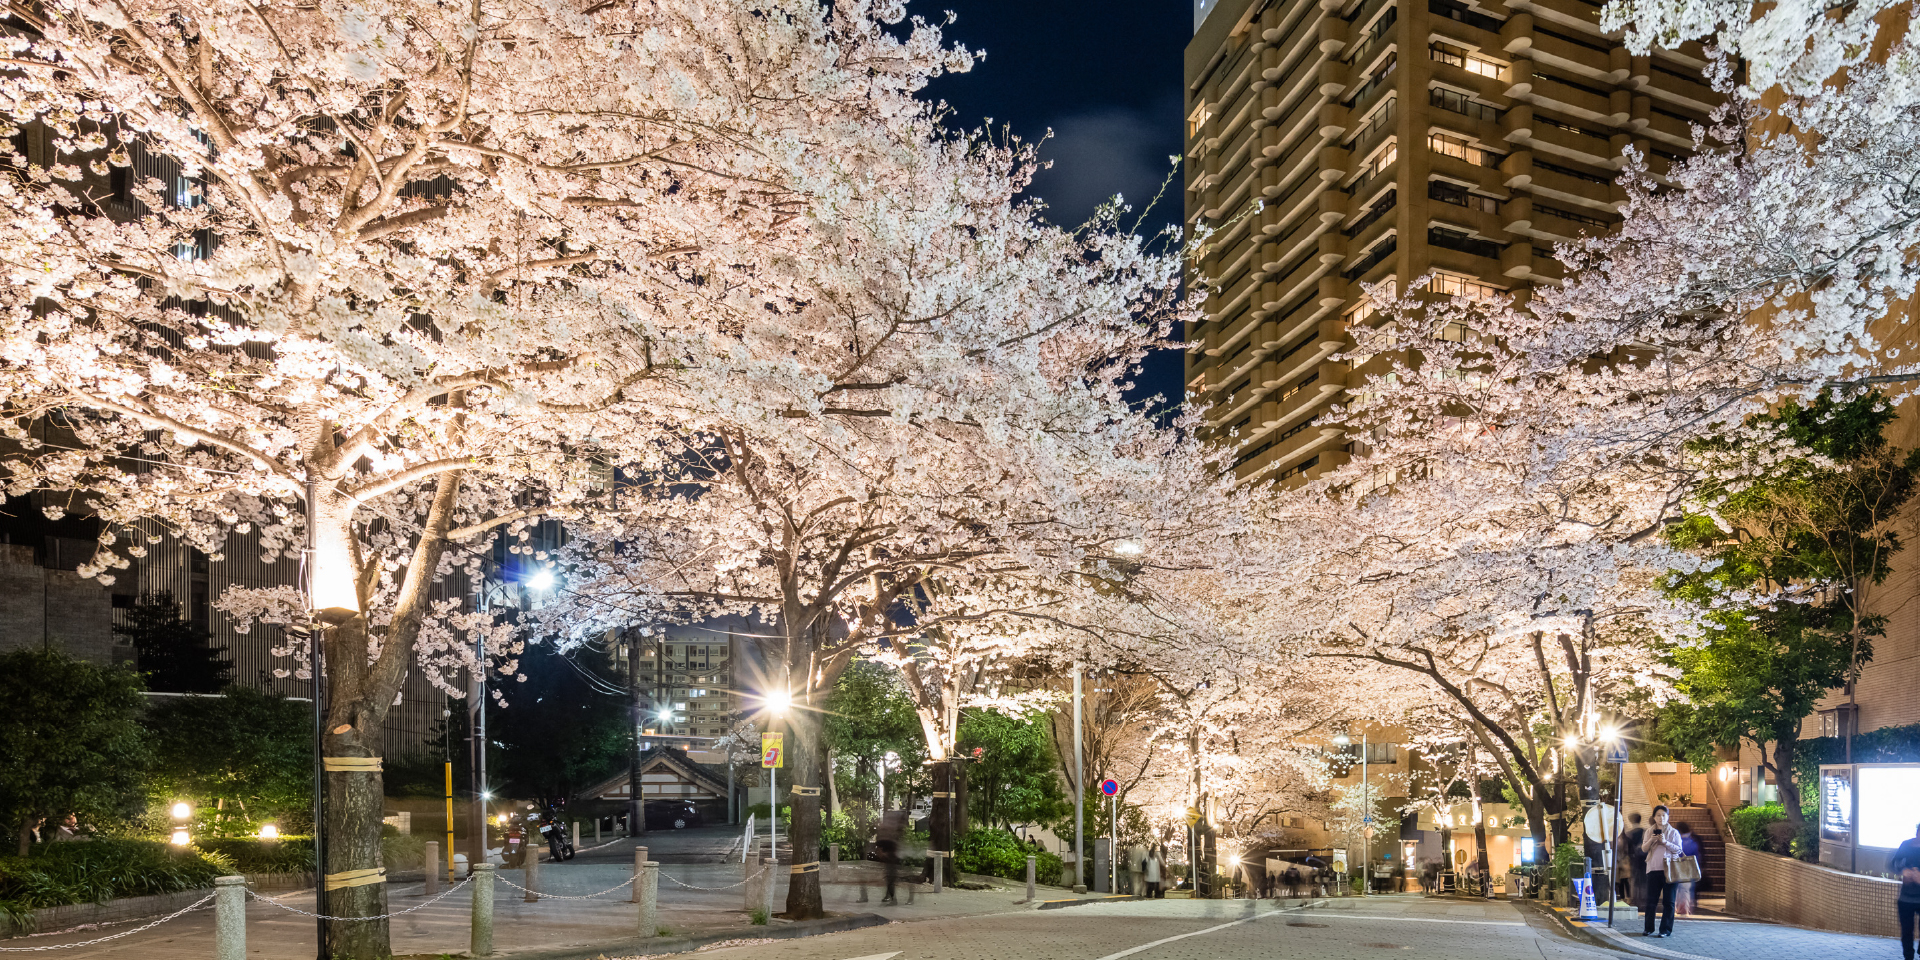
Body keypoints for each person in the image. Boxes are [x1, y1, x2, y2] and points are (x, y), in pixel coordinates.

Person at [1640, 804, 1683, 938]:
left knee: (1669, 902)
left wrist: (1665, 842)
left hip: (1670, 870)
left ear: (1668, 817)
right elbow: (1643, 849)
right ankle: (1648, 928)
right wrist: (1652, 840)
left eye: (1664, 815)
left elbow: (1679, 850)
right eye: (1658, 815)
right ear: (1654, 817)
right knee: (1651, 901)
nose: (1661, 818)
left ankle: (1665, 930)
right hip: (1653, 870)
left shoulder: (1673, 832)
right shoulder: (1649, 831)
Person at [1890, 822, 1920, 960]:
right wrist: (1904, 871)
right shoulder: (1906, 846)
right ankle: (1908, 957)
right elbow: (1894, 863)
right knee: (1907, 931)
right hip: (1906, 898)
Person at [1619, 812, 1647, 907]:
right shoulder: (1645, 831)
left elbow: (1627, 849)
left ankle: (1635, 899)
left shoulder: (1629, 834)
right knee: (1642, 880)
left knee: (1634, 880)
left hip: (1633, 860)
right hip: (1644, 859)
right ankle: (1643, 899)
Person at [1674, 823, 1701, 915]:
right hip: (1689, 868)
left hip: (1677, 867)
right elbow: (1697, 856)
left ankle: (1675, 907)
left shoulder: (1676, 841)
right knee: (1686, 890)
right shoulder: (1692, 842)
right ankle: (1684, 909)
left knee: (1676, 889)